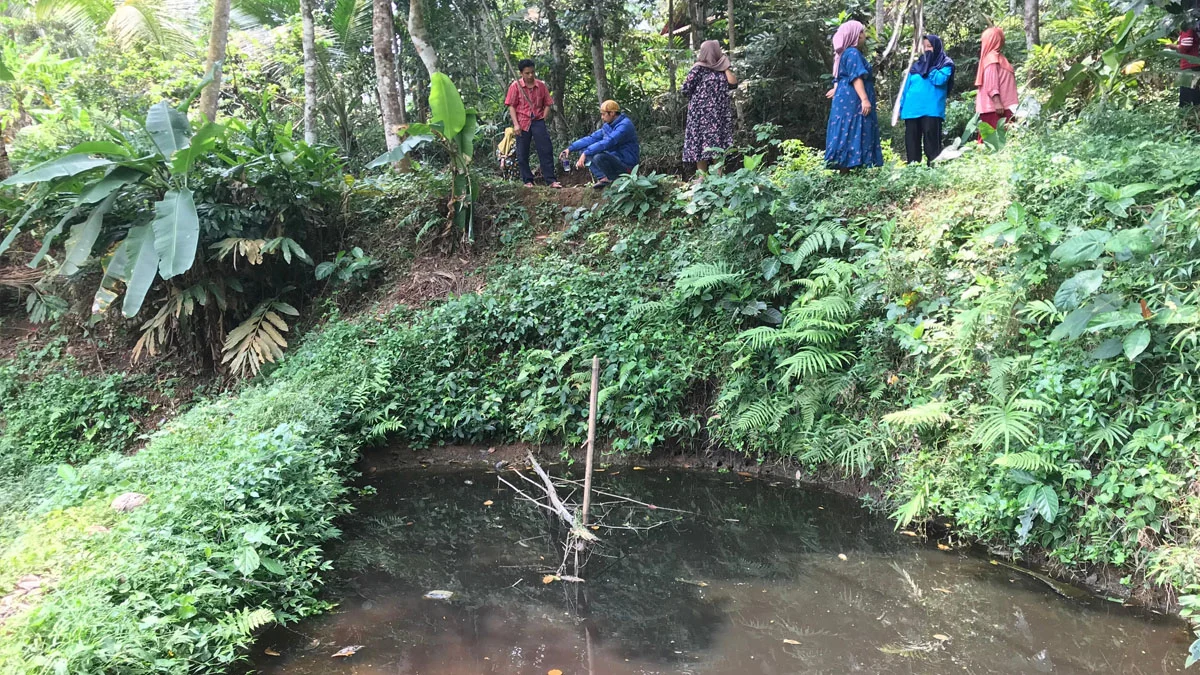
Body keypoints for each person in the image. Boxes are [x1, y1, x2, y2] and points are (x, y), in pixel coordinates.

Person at [824, 20, 882, 171]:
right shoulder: (852, 53)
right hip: (853, 99)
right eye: (861, 32)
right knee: (856, 126)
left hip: (845, 97)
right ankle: (857, 165)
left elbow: (841, 77)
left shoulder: (845, 54)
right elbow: (856, 78)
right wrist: (864, 99)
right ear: (855, 35)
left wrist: (837, 89)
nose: (864, 35)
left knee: (846, 129)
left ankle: (846, 166)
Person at [682, 40, 737, 176]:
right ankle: (702, 177)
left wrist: (725, 65)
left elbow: (733, 83)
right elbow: (685, 89)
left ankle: (719, 176)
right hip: (700, 115)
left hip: (718, 115)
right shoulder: (698, 68)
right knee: (699, 143)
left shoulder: (722, 70)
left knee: (717, 143)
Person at [505, 59, 562, 188]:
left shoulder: (541, 85)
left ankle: (551, 180)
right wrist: (516, 124)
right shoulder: (515, 86)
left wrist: (544, 116)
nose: (530, 75)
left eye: (532, 72)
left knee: (546, 150)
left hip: (538, 121)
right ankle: (527, 180)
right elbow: (511, 106)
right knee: (522, 152)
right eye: (527, 73)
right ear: (521, 73)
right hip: (522, 122)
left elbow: (548, 102)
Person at [898, 34, 954, 165]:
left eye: (930, 46)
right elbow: (905, 89)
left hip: (932, 110)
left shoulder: (945, 64)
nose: (927, 50)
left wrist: (930, 67)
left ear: (937, 47)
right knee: (912, 144)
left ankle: (933, 169)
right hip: (911, 110)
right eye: (924, 47)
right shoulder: (915, 67)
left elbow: (940, 80)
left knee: (932, 145)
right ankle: (914, 170)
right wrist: (901, 107)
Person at [560, 100, 640, 189]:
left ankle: (616, 180)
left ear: (612, 113)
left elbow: (609, 141)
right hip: (614, 159)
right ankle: (604, 178)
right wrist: (570, 149)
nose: (602, 117)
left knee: (599, 156)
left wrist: (586, 153)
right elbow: (591, 138)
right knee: (583, 150)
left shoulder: (625, 125)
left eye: (603, 114)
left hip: (626, 164)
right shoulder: (608, 126)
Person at [974, 26, 1017, 141]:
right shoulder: (991, 58)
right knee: (994, 142)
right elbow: (991, 83)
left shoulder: (998, 57)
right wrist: (997, 102)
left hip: (1005, 107)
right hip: (996, 109)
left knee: (1006, 141)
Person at [1173, 19, 1200, 106]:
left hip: (1190, 65)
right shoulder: (1196, 25)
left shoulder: (1187, 27)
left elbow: (1186, 45)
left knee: (1186, 99)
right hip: (1195, 64)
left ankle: (1188, 117)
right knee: (1195, 95)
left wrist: (1173, 47)